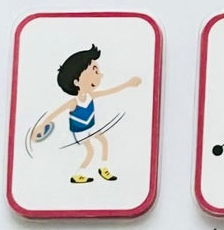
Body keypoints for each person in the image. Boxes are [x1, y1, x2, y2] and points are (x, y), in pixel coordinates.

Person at [34, 45, 143, 184]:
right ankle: (78, 174)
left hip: (91, 126)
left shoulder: (91, 96)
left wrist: (127, 84)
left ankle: (103, 168)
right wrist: (42, 125)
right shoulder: (74, 102)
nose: (99, 76)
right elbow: (56, 113)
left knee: (104, 142)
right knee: (90, 151)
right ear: (76, 82)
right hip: (81, 131)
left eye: (97, 71)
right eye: (94, 71)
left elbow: (110, 91)